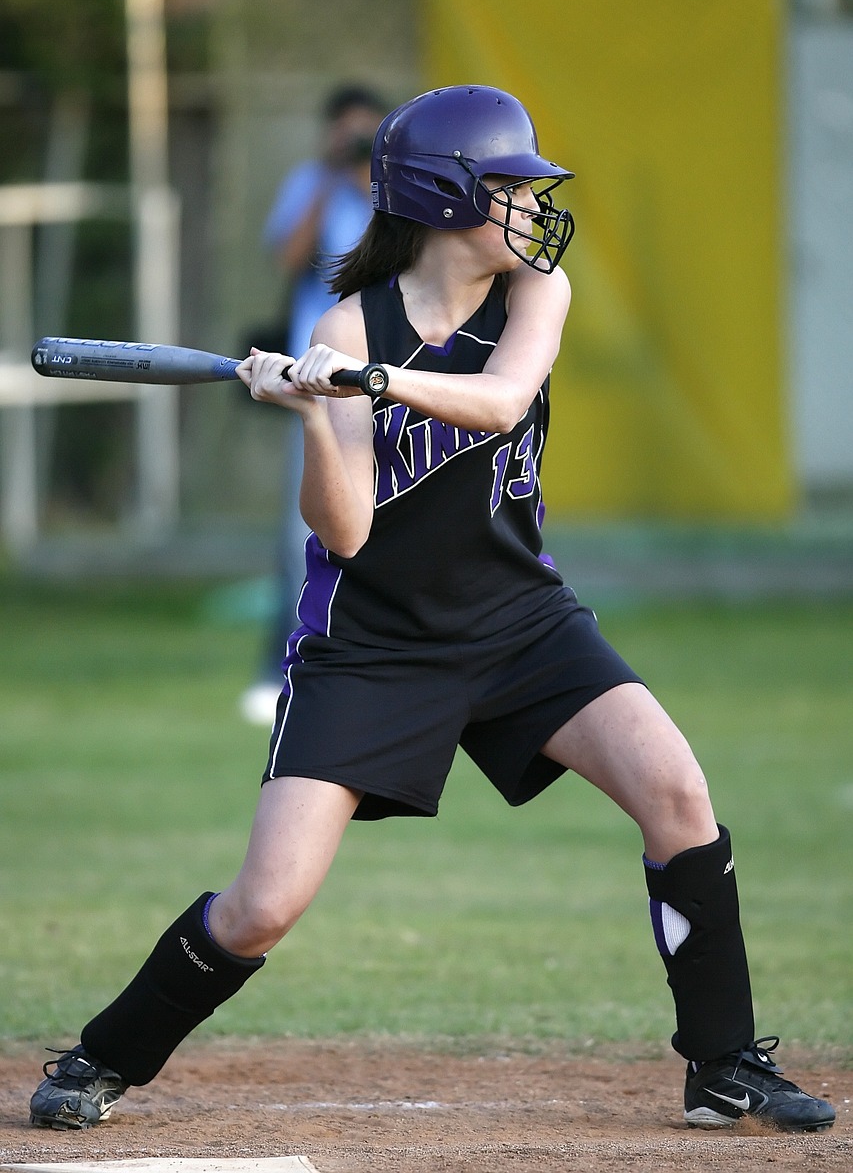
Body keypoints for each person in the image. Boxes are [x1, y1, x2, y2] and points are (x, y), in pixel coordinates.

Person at [30, 84, 835, 1135]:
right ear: (447, 196)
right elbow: (349, 531)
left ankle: (723, 1063)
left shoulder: (535, 290)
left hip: (520, 620)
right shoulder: (345, 322)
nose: (530, 205)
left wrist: (375, 383)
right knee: (264, 903)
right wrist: (318, 414)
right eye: (511, 185)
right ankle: (101, 1055)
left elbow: (501, 400)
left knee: (678, 795)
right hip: (370, 646)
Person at [240, 83, 387, 727]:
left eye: (368, 133)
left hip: (387, 375)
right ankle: (281, 667)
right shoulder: (312, 182)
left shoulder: (396, 191)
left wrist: (369, 176)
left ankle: (377, 662)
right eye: (346, 132)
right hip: (315, 377)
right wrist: (331, 178)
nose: (356, 142)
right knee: (301, 531)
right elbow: (289, 256)